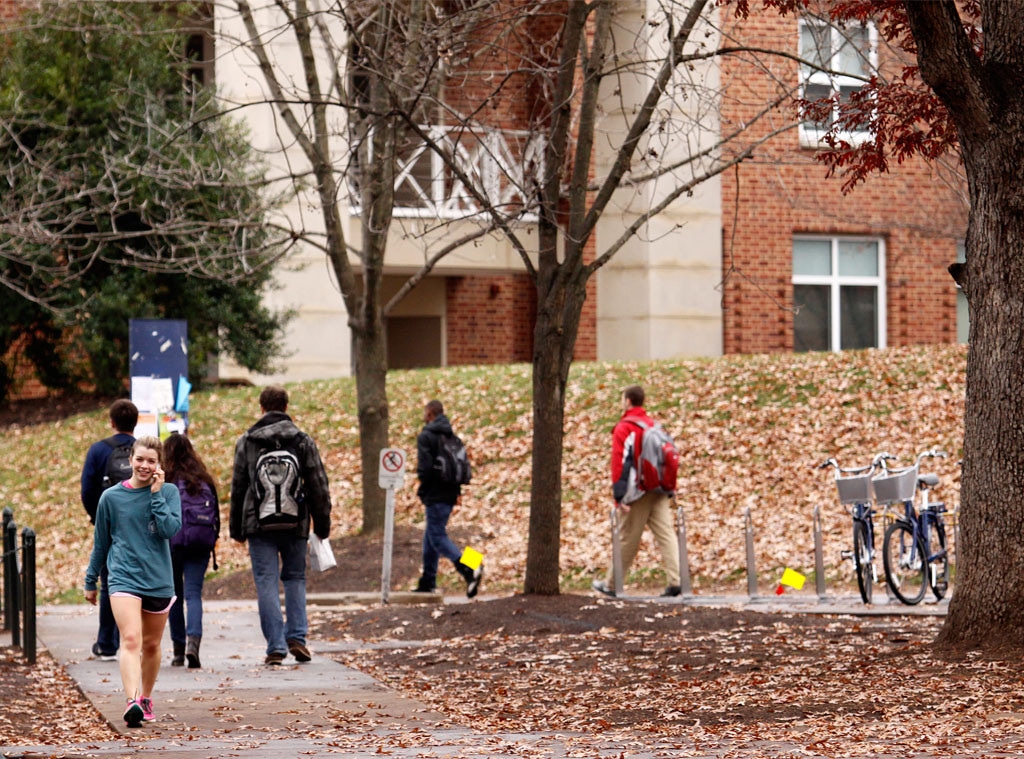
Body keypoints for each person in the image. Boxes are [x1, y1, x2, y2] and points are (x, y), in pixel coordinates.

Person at [229, 385, 332, 666]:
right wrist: (322, 525)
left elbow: (238, 487)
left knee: (266, 582)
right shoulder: (302, 440)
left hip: (258, 524)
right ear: (286, 408)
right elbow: (317, 484)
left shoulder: (247, 441)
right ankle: (297, 637)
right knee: (295, 578)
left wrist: (235, 529)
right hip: (295, 521)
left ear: (261, 408)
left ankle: (275, 646)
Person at [84, 436, 181, 728]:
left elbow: (169, 530)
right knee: (130, 640)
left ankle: (146, 697)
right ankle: (132, 701)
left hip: (158, 580)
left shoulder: (169, 493)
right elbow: (101, 542)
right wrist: (91, 579)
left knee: (151, 645)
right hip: (123, 578)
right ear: (130, 460)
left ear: (159, 465)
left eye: (151, 461)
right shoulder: (111, 498)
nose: (144, 465)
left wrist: (156, 494)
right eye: (140, 459)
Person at [592, 385, 681, 598]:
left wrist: (619, 495)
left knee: (627, 537)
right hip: (659, 489)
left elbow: (619, 462)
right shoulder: (653, 425)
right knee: (667, 534)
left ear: (628, 401)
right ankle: (676, 580)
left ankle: (611, 584)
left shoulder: (625, 427)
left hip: (638, 491)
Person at [80, 399, 138, 661]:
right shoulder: (142, 451)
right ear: (135, 423)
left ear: (112, 422)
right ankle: (135, 639)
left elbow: (87, 489)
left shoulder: (98, 450)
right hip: (138, 526)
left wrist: (97, 516)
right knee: (138, 582)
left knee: (109, 581)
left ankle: (106, 643)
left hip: (110, 524)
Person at [414, 399, 483, 597]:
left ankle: (471, 565)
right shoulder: (451, 436)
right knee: (431, 536)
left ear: (429, 415)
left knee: (436, 536)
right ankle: (428, 581)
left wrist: (423, 491)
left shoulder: (426, 437)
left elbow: (425, 469)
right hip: (450, 493)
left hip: (435, 493)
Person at [163, 433, 220, 669]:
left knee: (174, 596)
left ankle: (177, 649)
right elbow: (216, 514)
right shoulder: (203, 480)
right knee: (193, 594)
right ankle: (193, 644)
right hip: (199, 543)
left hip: (171, 545)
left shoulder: (165, 481)